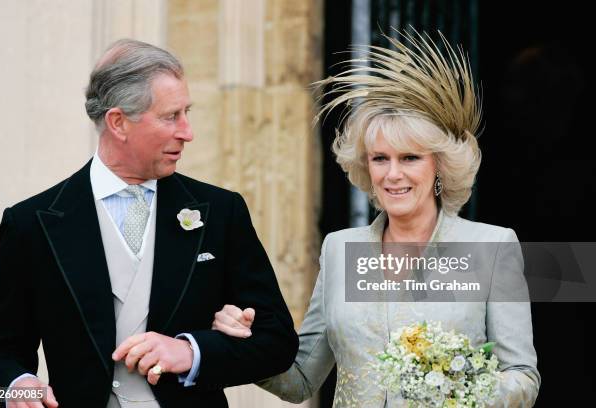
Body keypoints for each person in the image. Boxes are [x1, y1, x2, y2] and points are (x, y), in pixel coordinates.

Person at [211, 31, 541, 407]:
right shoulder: (340, 248)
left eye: (410, 158)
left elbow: (522, 377)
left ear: (439, 167)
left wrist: (460, 390)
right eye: (380, 158)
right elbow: (300, 379)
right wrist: (247, 346)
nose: (392, 174)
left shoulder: (491, 248)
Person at [0, 39, 298, 408]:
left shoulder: (221, 211)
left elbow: (278, 344)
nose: (187, 132)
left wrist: (192, 353)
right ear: (118, 122)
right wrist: (15, 389)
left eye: (187, 113)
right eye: (171, 117)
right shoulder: (31, 223)